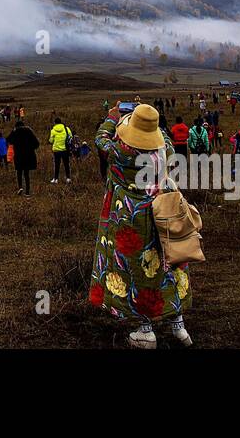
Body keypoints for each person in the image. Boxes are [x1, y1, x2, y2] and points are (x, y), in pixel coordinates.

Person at [88, 104, 193, 349]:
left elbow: (100, 139)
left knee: (141, 269)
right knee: (170, 263)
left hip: (135, 219)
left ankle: (146, 331)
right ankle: (178, 326)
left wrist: (113, 117)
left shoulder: (121, 152)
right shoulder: (164, 149)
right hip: (166, 213)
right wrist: (147, 117)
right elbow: (165, 136)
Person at [9, 119, 40, 196]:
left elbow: (9, 140)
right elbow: (37, 144)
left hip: (18, 156)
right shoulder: (29, 131)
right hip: (28, 156)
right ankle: (27, 192)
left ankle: (20, 187)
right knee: (26, 174)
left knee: (19, 172)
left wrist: (13, 131)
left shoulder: (15, 132)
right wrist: (30, 148)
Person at [49, 118, 74, 183]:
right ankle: (68, 178)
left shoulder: (53, 130)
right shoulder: (66, 129)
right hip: (65, 149)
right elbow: (71, 137)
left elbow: (51, 141)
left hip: (56, 150)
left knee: (57, 165)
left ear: (55, 123)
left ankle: (56, 179)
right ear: (61, 122)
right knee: (66, 164)